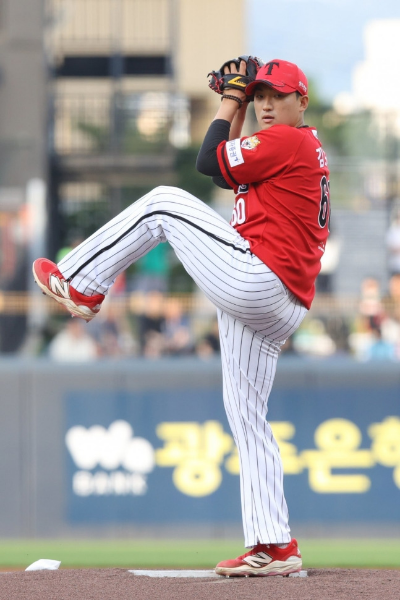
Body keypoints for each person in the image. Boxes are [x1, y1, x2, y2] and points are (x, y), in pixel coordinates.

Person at [32, 58, 330, 577]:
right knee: (248, 417)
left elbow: (206, 161)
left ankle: (81, 281)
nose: (265, 104)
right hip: (282, 302)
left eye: (276, 96)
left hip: (259, 278)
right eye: (259, 95)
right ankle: (274, 544)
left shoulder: (288, 140)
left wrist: (230, 101)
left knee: (164, 203)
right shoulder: (293, 147)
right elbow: (227, 171)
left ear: (300, 102)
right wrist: (237, 105)